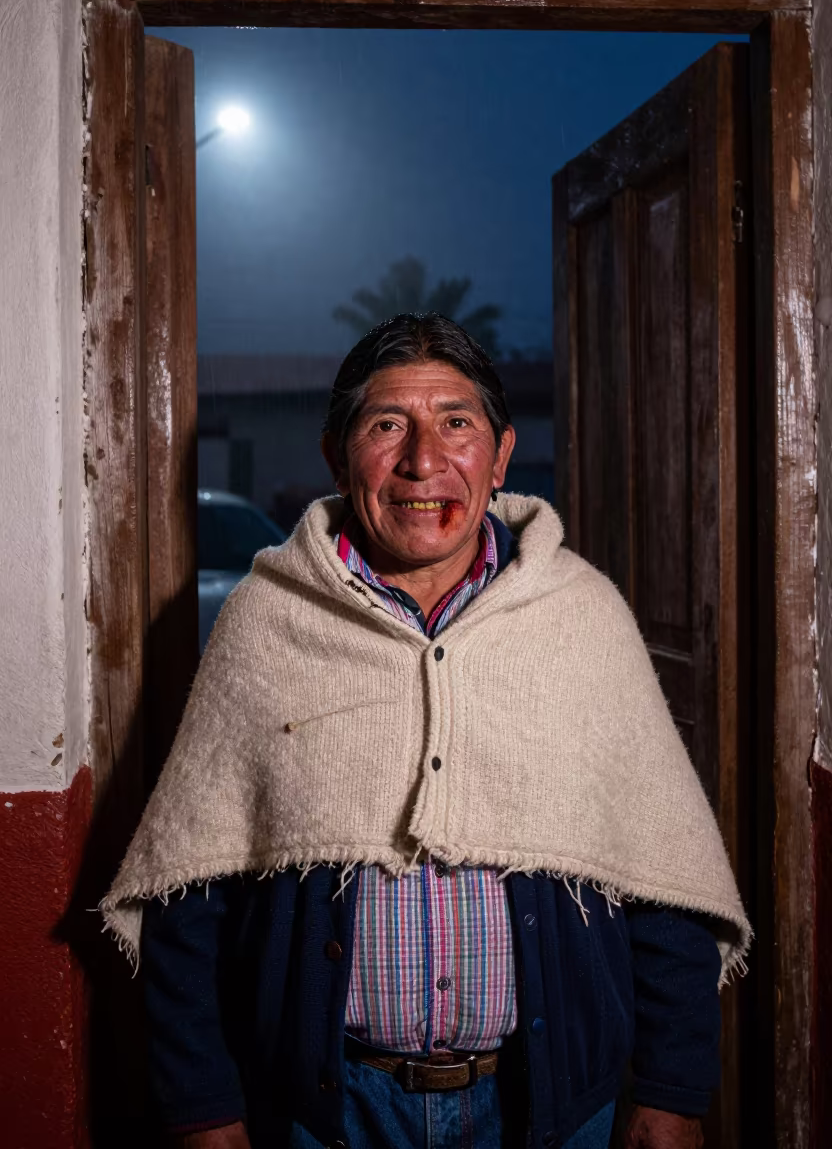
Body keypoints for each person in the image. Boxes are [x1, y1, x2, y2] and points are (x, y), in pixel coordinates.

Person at [103, 314, 750, 1149]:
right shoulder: (265, 623)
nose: (422, 461)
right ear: (339, 454)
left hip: (550, 1110)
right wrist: (202, 1107)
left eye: (456, 423)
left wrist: (672, 1087)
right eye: (386, 426)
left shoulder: (583, 620)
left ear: (501, 453)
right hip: (326, 1113)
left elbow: (663, 873)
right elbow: (192, 889)